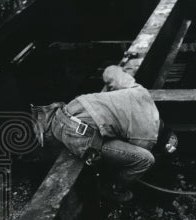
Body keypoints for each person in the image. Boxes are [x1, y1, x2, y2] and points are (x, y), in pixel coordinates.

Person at [31, 65, 177, 201]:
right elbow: (126, 160)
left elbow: (110, 71)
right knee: (145, 160)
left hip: (66, 111)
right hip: (76, 135)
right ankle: (113, 190)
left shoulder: (140, 92)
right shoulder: (147, 141)